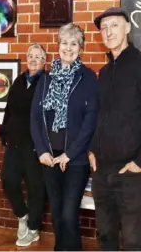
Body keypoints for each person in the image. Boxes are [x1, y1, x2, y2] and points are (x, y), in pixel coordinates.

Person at [89, 7, 141, 251]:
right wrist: (91, 151)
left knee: (135, 243)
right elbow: (97, 117)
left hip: (131, 174)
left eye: (114, 25)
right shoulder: (103, 73)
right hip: (101, 172)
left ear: (128, 27)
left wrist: (140, 162)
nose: (108, 32)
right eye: (103, 28)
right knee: (106, 239)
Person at [31, 23, 98, 251]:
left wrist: (70, 154)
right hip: (49, 159)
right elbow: (36, 119)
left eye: (74, 43)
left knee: (69, 214)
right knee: (57, 215)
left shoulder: (88, 78)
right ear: (57, 45)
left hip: (76, 160)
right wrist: (42, 151)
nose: (68, 48)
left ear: (81, 48)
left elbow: (90, 122)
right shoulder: (45, 79)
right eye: (64, 43)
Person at [0, 43, 46, 247]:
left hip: (34, 145)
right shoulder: (19, 81)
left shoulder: (46, 82)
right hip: (14, 142)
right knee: (8, 181)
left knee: (36, 187)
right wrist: (4, 131)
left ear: (44, 62)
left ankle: (34, 229)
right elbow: (9, 108)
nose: (33, 59)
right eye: (30, 56)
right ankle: (22, 215)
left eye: (38, 57)